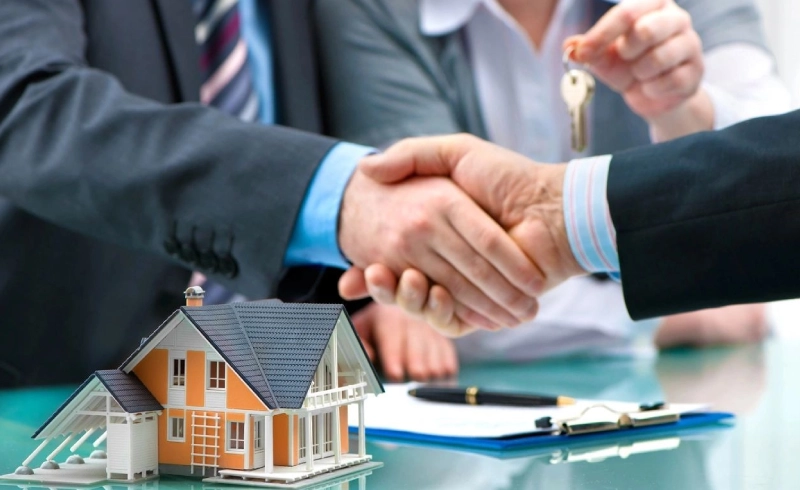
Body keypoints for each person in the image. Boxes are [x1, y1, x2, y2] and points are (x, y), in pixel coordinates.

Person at [0, 0, 545, 386]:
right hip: (59, 401)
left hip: (289, 405)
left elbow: (325, 128)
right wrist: (339, 200)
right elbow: (27, 109)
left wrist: (379, 294)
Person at [315, 0, 787, 378]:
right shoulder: (371, 10)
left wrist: (684, 111)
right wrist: (674, 315)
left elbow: (772, 212)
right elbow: (438, 263)